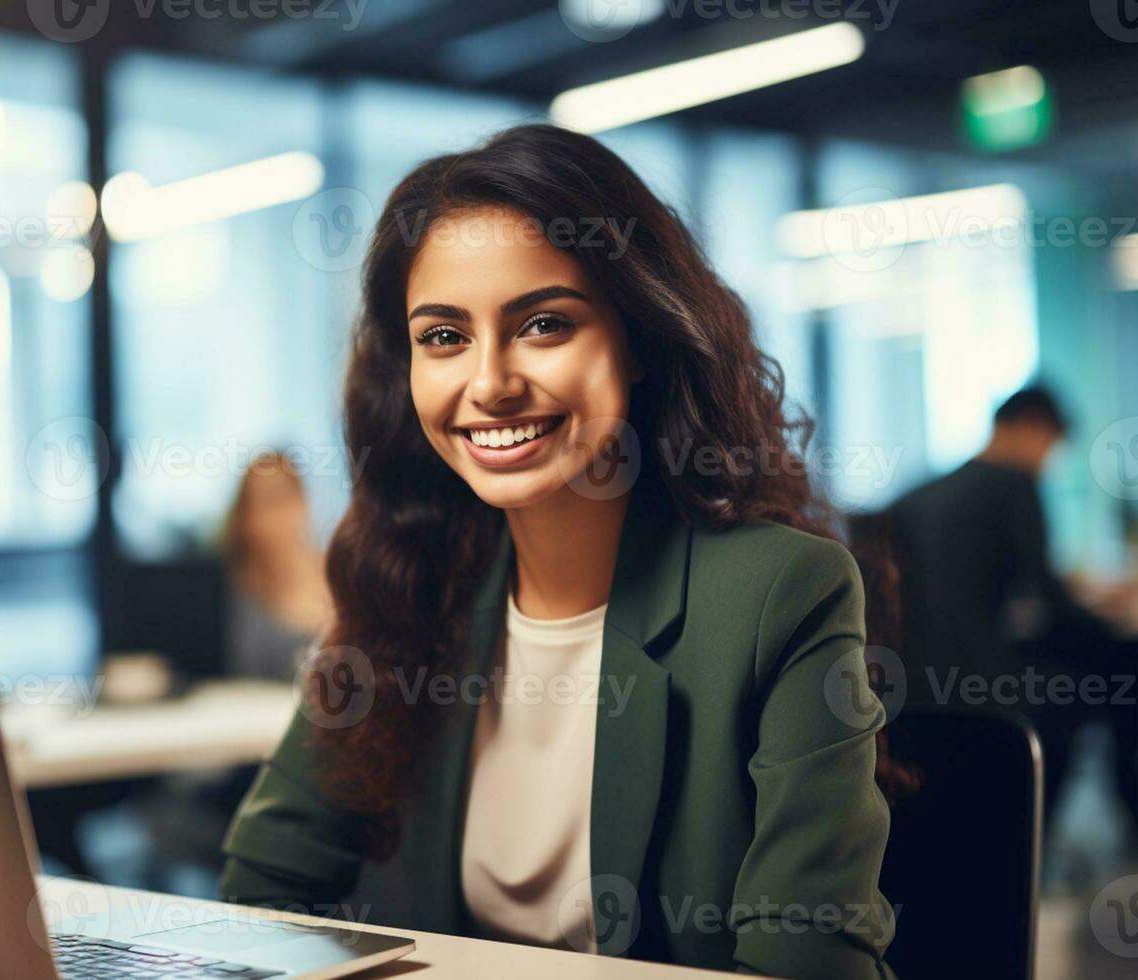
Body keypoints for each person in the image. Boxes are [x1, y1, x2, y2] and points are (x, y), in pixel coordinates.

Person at [218, 125, 897, 978]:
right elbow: (261, 891)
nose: (490, 382)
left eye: (543, 324)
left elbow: (805, 960)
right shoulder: (412, 591)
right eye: (443, 336)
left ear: (640, 339)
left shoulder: (781, 594)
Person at [887, 385, 1132, 816]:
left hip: (910, 688)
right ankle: (1054, 833)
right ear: (1033, 428)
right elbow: (1049, 602)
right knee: (1116, 671)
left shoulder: (920, 494)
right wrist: (1112, 622)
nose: (1046, 463)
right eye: (1050, 448)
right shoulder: (1013, 485)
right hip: (987, 686)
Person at [218, 452, 333, 680]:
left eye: (285, 497)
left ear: (302, 500)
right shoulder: (236, 587)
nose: (279, 515)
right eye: (266, 503)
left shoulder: (339, 573)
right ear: (245, 519)